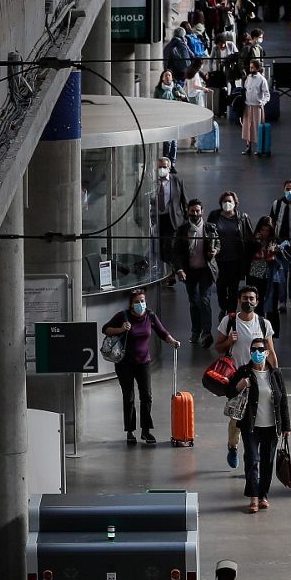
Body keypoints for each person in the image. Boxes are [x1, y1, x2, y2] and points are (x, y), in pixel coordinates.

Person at [102, 288, 182, 446]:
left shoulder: (150, 316)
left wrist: (172, 341)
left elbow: (162, 332)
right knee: (129, 397)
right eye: (137, 302)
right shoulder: (123, 316)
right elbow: (105, 329)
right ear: (131, 304)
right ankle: (130, 431)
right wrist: (121, 329)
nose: (141, 304)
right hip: (125, 363)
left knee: (146, 396)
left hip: (144, 362)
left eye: (142, 301)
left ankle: (146, 430)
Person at [215, 286, 279, 468]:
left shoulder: (263, 324)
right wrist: (229, 341)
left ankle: (252, 459)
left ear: (257, 302)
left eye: (251, 298)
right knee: (236, 418)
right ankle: (233, 446)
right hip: (237, 378)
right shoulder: (229, 321)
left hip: (260, 377)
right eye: (244, 298)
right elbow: (217, 347)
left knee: (257, 418)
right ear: (239, 300)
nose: (248, 301)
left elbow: (271, 352)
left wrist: (275, 376)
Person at [230, 337, 291, 513]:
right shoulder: (244, 372)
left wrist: (286, 426)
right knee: (252, 459)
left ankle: (263, 494)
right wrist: (240, 385)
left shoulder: (275, 374)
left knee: (267, 461)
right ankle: (253, 497)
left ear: (266, 352)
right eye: (253, 350)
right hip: (251, 426)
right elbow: (229, 391)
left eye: (260, 350)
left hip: (272, 426)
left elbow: (283, 400)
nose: (257, 353)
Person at [174, 199, 220, 348]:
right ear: (188, 211)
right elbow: (177, 253)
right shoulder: (182, 230)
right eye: (192, 211)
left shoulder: (210, 228)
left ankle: (206, 333)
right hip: (190, 271)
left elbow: (218, 243)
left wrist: (215, 251)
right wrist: (179, 269)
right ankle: (196, 330)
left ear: (202, 211)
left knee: (204, 300)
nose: (195, 214)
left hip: (205, 270)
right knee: (193, 301)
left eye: (197, 211)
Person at [210, 191, 253, 314]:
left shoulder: (242, 217)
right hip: (219, 260)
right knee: (221, 288)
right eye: (225, 201)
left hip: (236, 261)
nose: (227, 204)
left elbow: (249, 238)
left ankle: (231, 313)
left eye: (230, 201)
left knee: (233, 289)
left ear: (235, 203)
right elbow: (209, 234)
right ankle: (223, 307)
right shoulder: (214, 216)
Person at [151, 156, 188, 285]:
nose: (161, 169)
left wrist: (187, 221)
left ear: (169, 168)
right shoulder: (150, 182)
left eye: (164, 167)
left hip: (173, 219)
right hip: (157, 219)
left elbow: (184, 201)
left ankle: (170, 274)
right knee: (159, 248)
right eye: (159, 167)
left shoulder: (177, 181)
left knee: (170, 246)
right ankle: (163, 272)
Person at [246, 217, 283, 323]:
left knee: (271, 303)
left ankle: (271, 332)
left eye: (267, 230)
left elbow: (281, 258)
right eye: (262, 230)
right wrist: (257, 243)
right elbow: (247, 255)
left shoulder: (275, 242)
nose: (265, 233)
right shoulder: (253, 241)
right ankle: (257, 326)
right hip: (255, 275)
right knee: (257, 303)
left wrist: (275, 251)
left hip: (270, 276)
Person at [153, 70, 184, 167]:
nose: (167, 77)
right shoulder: (158, 89)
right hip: (164, 117)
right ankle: (165, 164)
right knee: (167, 141)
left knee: (174, 142)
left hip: (175, 116)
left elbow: (185, 97)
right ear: (162, 78)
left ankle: (173, 164)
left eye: (169, 75)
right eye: (165, 75)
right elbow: (155, 103)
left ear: (172, 77)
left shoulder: (176, 87)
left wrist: (180, 95)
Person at [241, 60, 270, 156]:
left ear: (257, 68)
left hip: (257, 107)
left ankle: (259, 147)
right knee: (247, 127)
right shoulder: (248, 78)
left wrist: (263, 103)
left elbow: (267, 95)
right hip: (248, 106)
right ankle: (248, 147)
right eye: (250, 67)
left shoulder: (262, 79)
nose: (251, 69)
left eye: (252, 67)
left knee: (257, 127)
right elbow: (245, 89)